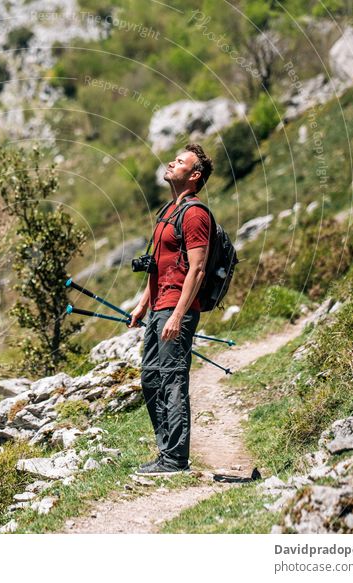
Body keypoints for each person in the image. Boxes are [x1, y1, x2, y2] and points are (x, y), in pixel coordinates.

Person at [128, 143, 214, 475]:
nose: (171, 163)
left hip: (177, 309)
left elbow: (197, 269)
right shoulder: (168, 212)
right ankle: (166, 453)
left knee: (172, 381)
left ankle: (176, 459)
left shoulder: (195, 214)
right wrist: (142, 305)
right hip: (157, 308)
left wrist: (178, 315)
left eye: (179, 162)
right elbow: (159, 266)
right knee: (151, 379)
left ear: (194, 176)